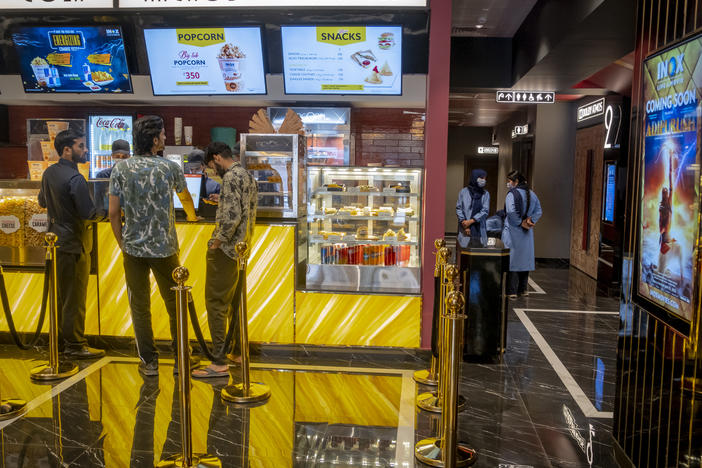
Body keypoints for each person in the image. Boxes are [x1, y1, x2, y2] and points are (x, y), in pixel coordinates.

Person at [108, 115, 200, 377]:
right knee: (175, 305)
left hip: (133, 250)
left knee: (139, 307)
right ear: (154, 139)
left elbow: (114, 212)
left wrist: (121, 243)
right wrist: (193, 218)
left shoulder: (121, 169)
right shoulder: (168, 168)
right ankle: (182, 359)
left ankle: (149, 362)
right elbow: (185, 197)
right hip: (165, 250)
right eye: (162, 134)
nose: (165, 138)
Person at [38, 129, 105, 359]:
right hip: (75, 244)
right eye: (81, 146)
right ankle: (76, 345)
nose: (85, 150)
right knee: (75, 299)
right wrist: (109, 210)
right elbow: (88, 213)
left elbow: (42, 201)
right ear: (67, 149)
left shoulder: (48, 173)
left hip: (55, 244)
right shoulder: (76, 178)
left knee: (61, 297)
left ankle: (60, 342)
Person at [192, 141, 257, 379]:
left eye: (211, 165)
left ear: (217, 158)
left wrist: (216, 242)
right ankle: (238, 352)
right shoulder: (247, 175)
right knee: (234, 302)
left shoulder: (230, 178)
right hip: (241, 250)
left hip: (226, 250)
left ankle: (218, 362)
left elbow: (232, 217)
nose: (211, 171)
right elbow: (243, 210)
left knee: (216, 304)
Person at [503, 170, 542, 298]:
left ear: (516, 181)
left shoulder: (511, 195)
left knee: (513, 261)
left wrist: (520, 223)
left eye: (509, 181)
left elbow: (511, 212)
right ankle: (523, 289)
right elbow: (538, 211)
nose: (508, 183)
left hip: (514, 232)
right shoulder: (532, 194)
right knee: (525, 260)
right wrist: (530, 221)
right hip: (527, 233)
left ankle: (512, 291)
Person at [456, 169, 490, 248]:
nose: (484, 180)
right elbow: (459, 208)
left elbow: (485, 211)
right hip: (464, 227)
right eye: (482, 178)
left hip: (479, 228)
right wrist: (465, 224)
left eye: (485, 178)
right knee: (464, 252)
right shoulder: (463, 192)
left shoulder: (486, 194)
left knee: (478, 252)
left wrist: (471, 221)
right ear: (475, 178)